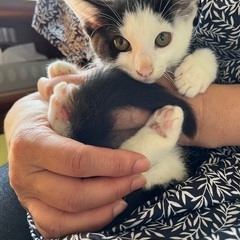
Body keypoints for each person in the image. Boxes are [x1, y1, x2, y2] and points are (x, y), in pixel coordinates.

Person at [1, 0, 239, 239]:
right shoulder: (86, 17)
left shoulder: (183, 34)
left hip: (210, 180)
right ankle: (71, 129)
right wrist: (26, 118)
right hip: (90, 158)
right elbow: (79, 77)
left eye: (162, 40)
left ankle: (136, 152)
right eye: (122, 43)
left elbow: (203, 61)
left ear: (188, 12)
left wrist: (203, 109)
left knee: (165, 167)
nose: (144, 68)